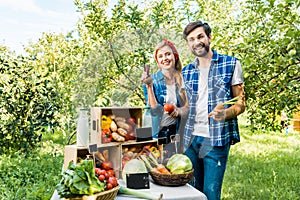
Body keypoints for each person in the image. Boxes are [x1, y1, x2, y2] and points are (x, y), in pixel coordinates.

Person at [181, 21, 246, 200]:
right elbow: (188, 107)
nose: (196, 42)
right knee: (191, 194)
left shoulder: (231, 64)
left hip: (216, 139)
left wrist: (224, 114)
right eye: (191, 39)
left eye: (200, 36)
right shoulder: (186, 72)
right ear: (188, 44)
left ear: (209, 37)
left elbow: (241, 103)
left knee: (210, 193)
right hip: (190, 141)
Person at [141, 39, 189, 161]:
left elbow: (187, 108)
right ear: (158, 62)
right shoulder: (152, 80)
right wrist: (149, 87)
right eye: (160, 56)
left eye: (168, 54)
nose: (165, 58)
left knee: (174, 166)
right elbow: (154, 109)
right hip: (157, 131)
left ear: (175, 56)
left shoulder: (183, 79)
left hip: (177, 131)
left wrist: (178, 111)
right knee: (158, 164)